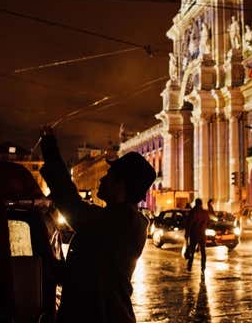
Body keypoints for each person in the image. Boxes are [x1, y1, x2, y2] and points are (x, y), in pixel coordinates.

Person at [38, 126, 156, 322]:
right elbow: (89, 271)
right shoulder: (120, 219)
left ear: (121, 185)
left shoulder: (123, 222)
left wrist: (50, 149)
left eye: (109, 175)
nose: (102, 178)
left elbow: (72, 206)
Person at [185, 198, 210, 273]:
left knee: (192, 251)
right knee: (203, 252)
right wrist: (204, 227)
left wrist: (187, 234)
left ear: (195, 203)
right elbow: (209, 222)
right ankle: (203, 267)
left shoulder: (193, 212)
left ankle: (189, 266)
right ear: (201, 204)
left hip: (194, 234)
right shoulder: (205, 212)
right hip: (202, 234)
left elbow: (189, 224)